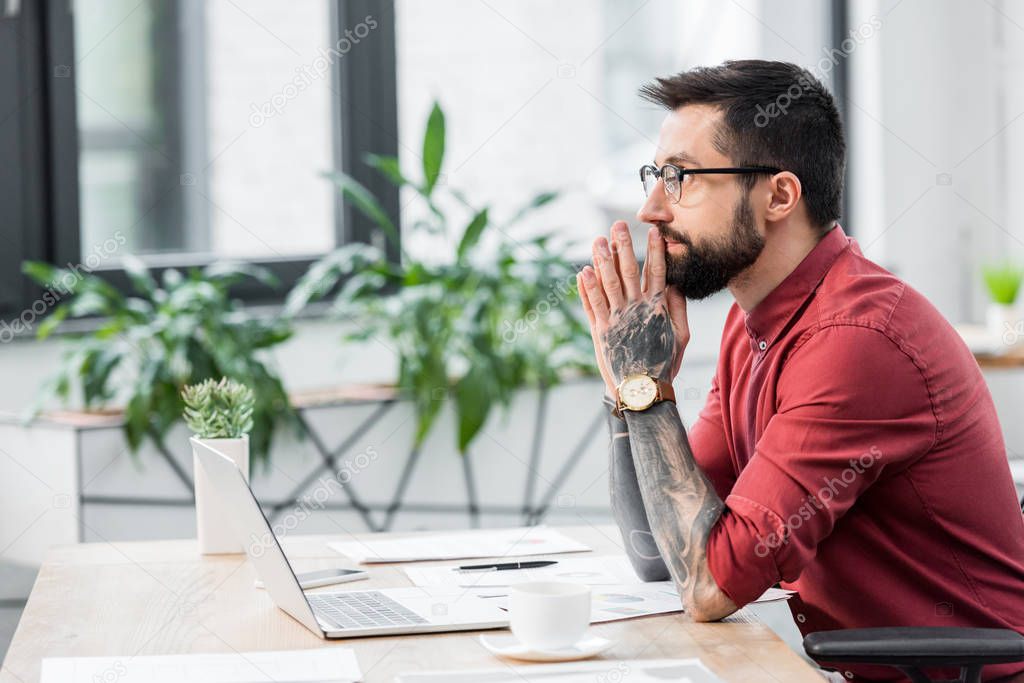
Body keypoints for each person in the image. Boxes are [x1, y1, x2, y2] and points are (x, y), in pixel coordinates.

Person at [576, 60, 1024, 682]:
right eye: (656, 174)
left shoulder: (855, 341)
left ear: (780, 196)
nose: (652, 208)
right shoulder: (754, 320)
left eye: (681, 177)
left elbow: (708, 585)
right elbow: (662, 554)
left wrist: (648, 394)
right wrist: (627, 388)